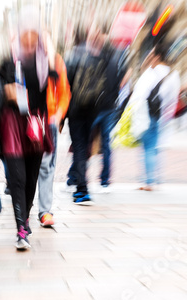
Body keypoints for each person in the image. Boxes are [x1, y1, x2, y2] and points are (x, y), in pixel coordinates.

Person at [0, 6, 54, 250]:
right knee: (18, 179)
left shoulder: (45, 62)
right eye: (25, 32)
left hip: (36, 126)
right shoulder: (8, 61)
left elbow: (56, 88)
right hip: (13, 126)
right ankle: (21, 230)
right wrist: (5, 91)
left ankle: (26, 217)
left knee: (31, 179)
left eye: (33, 32)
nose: (29, 37)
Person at [66, 23, 109, 205]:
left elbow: (65, 83)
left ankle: (81, 189)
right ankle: (83, 185)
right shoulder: (96, 55)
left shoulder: (72, 55)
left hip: (75, 107)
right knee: (87, 146)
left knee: (79, 147)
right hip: (92, 108)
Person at [130, 41, 180, 191]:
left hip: (147, 114)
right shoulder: (173, 74)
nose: (149, 57)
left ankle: (149, 182)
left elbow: (139, 94)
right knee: (156, 148)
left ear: (157, 56)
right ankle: (155, 179)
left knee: (147, 148)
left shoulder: (151, 73)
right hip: (163, 115)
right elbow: (173, 98)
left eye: (151, 54)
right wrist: (167, 115)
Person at [37, 42, 71, 227]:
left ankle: (45, 211)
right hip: (26, 120)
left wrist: (58, 115)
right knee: (27, 168)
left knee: (47, 166)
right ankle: (24, 212)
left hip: (48, 120)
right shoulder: (21, 57)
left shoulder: (55, 59)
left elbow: (64, 92)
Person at [90, 44, 129, 192]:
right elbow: (120, 85)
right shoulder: (116, 65)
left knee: (87, 141)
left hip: (96, 108)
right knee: (106, 144)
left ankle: (76, 177)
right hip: (111, 108)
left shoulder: (96, 64)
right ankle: (105, 180)